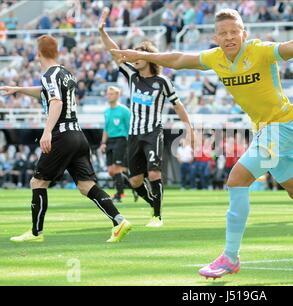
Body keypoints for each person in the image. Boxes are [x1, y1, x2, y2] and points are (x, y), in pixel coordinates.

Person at [112, 8, 293, 280]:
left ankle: (230, 257)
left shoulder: (258, 50)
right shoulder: (215, 58)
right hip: (265, 130)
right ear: (215, 37)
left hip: (282, 126)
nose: (229, 37)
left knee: (237, 179)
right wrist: (142, 55)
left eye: (234, 32)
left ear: (243, 33)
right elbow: (177, 58)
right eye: (223, 33)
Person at [0, 35, 131, 243]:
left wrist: (47, 131)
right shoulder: (65, 73)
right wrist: (19, 89)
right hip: (78, 135)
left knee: (38, 181)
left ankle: (35, 233)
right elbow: (46, 93)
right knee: (85, 185)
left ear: (38, 53)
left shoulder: (48, 75)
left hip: (61, 135)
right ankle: (119, 220)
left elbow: (56, 102)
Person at [99, 8, 193, 227]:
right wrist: (102, 32)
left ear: (148, 58)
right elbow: (114, 51)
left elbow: (178, 105)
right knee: (135, 181)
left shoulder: (163, 82)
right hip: (134, 134)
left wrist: (188, 126)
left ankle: (157, 216)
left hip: (153, 132)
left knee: (153, 172)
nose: (134, 57)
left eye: (139, 54)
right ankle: (153, 202)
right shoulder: (132, 76)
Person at [99, 86, 132, 203]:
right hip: (110, 141)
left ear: (118, 95)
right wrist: (103, 143)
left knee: (117, 168)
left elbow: (130, 128)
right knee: (110, 171)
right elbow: (106, 129)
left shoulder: (124, 110)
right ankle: (133, 185)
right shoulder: (107, 111)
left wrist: (131, 143)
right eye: (108, 94)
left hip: (121, 140)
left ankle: (119, 194)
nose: (109, 96)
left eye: (112, 94)